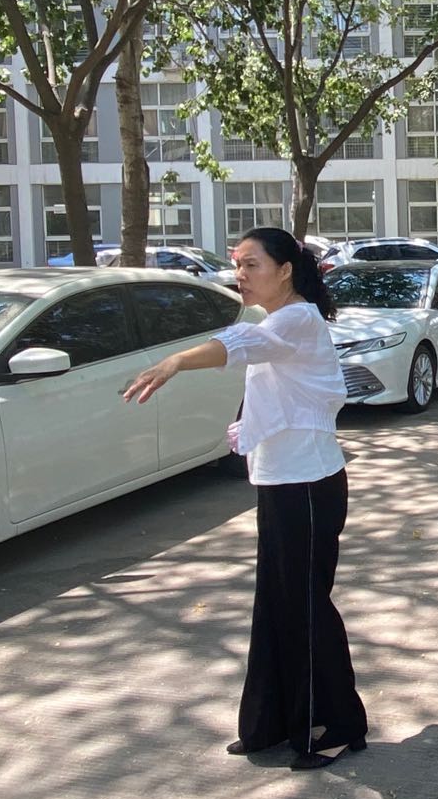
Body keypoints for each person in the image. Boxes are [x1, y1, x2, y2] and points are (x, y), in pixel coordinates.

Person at [123, 227, 368, 769]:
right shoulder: (277, 322)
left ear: (285, 270)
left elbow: (234, 346)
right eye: (237, 264)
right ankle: (271, 722)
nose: (240, 275)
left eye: (252, 264)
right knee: (275, 603)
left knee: (306, 608)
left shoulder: (297, 320)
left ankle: (338, 725)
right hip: (280, 482)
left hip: (310, 484)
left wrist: (175, 362)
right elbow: (246, 347)